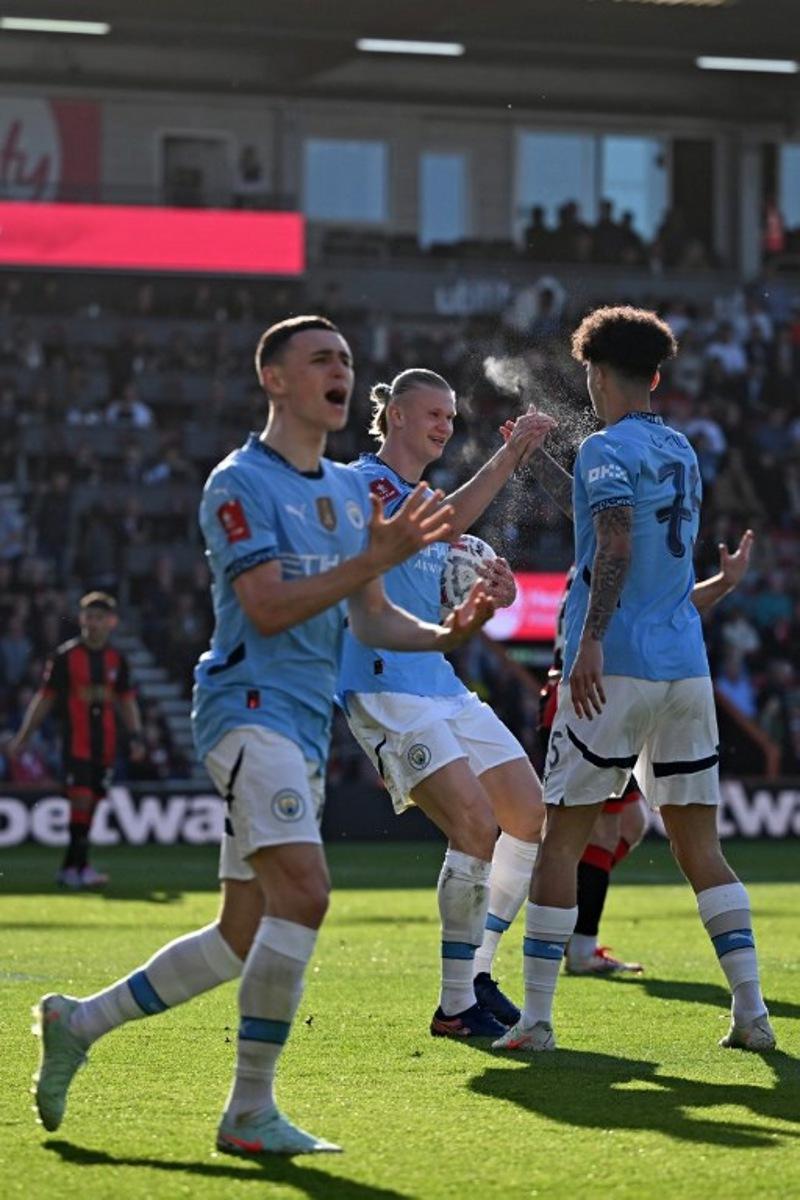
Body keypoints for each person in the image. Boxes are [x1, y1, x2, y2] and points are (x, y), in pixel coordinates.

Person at [32, 316, 496, 1158]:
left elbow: (375, 614)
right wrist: (373, 558)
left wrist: (447, 635)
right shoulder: (238, 483)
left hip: (301, 721)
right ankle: (249, 1110)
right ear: (274, 380)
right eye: (320, 358)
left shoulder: (354, 494)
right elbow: (269, 605)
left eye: (347, 360)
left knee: (240, 933)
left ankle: (78, 1022)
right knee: (307, 894)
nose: (340, 371)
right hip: (245, 707)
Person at [493, 305, 774, 1054]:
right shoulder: (679, 450)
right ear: (654, 375)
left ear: (594, 372)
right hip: (685, 669)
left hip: (612, 668)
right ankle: (752, 1013)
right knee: (701, 848)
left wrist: (587, 641)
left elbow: (613, 542)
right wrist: (542, 467)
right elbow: (622, 531)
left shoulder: (606, 447)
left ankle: (539, 1019)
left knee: (562, 840)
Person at [338, 368, 556, 1038]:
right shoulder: (356, 483)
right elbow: (449, 522)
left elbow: (450, 576)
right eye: (432, 413)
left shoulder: (429, 500)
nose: (443, 425)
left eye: (450, 417)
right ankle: (454, 1006)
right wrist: (511, 452)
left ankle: (477, 971)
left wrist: (492, 590)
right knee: (473, 827)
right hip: (382, 686)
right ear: (395, 415)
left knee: (527, 813)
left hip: (437, 681)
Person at [539, 531, 756, 976]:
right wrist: (722, 585)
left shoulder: (605, 559)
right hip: (591, 693)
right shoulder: (616, 560)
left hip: (601, 687)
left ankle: (560, 895)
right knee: (595, 834)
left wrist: (724, 582)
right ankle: (576, 941)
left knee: (629, 825)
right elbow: (665, 614)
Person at [9, 591, 144, 889]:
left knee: (92, 803)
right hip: (76, 743)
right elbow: (44, 699)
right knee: (81, 799)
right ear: (81, 619)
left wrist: (136, 737)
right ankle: (77, 869)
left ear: (112, 622)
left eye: (99, 618)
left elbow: (126, 701)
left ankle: (73, 868)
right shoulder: (65, 657)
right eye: (88, 617)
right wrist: (23, 737)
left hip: (105, 745)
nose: (92, 624)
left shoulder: (116, 660)